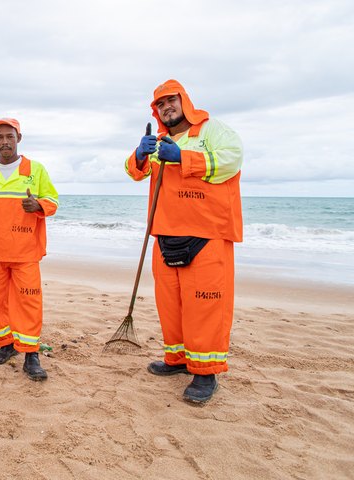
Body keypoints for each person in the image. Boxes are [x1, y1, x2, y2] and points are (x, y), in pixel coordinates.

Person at [125, 79, 243, 404]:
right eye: (160, 104)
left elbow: (233, 158)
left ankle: (206, 373)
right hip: (165, 232)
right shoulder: (160, 140)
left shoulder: (211, 130)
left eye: (171, 101)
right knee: (171, 304)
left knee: (205, 305)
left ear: (184, 101)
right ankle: (176, 359)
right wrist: (138, 154)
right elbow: (135, 172)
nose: (166, 107)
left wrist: (183, 158)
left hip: (207, 234)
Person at [0, 118, 59, 381]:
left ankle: (31, 354)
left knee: (28, 301)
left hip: (25, 253)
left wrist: (38, 205)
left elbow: (52, 201)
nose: (5, 141)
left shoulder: (36, 170)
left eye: (9, 136)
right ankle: (6, 345)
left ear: (19, 138)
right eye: (0, 137)